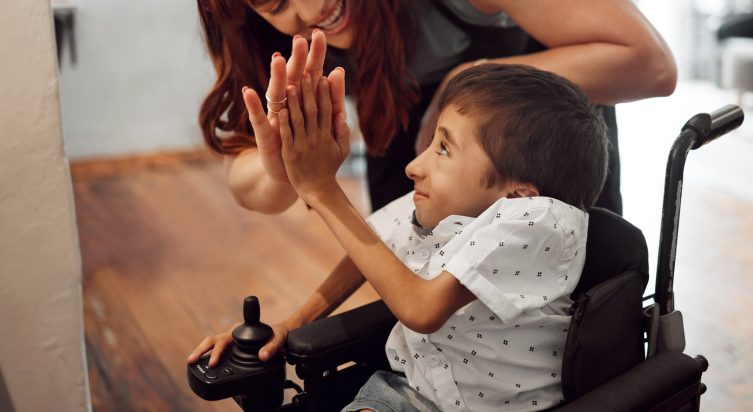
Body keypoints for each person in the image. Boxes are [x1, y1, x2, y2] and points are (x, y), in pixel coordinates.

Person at [177, 0, 676, 217]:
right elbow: (248, 186)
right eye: (275, 4)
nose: (309, 14)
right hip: (405, 94)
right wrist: (281, 166)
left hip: (541, 88)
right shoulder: (261, 30)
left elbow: (651, 64)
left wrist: (465, 83)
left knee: (575, 297)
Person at [190, 63, 610, 411]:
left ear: (518, 192)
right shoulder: (442, 208)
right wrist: (290, 324)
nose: (413, 166)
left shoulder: (542, 221)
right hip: (409, 393)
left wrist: (322, 190)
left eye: (443, 150)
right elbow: (367, 246)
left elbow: (422, 309)